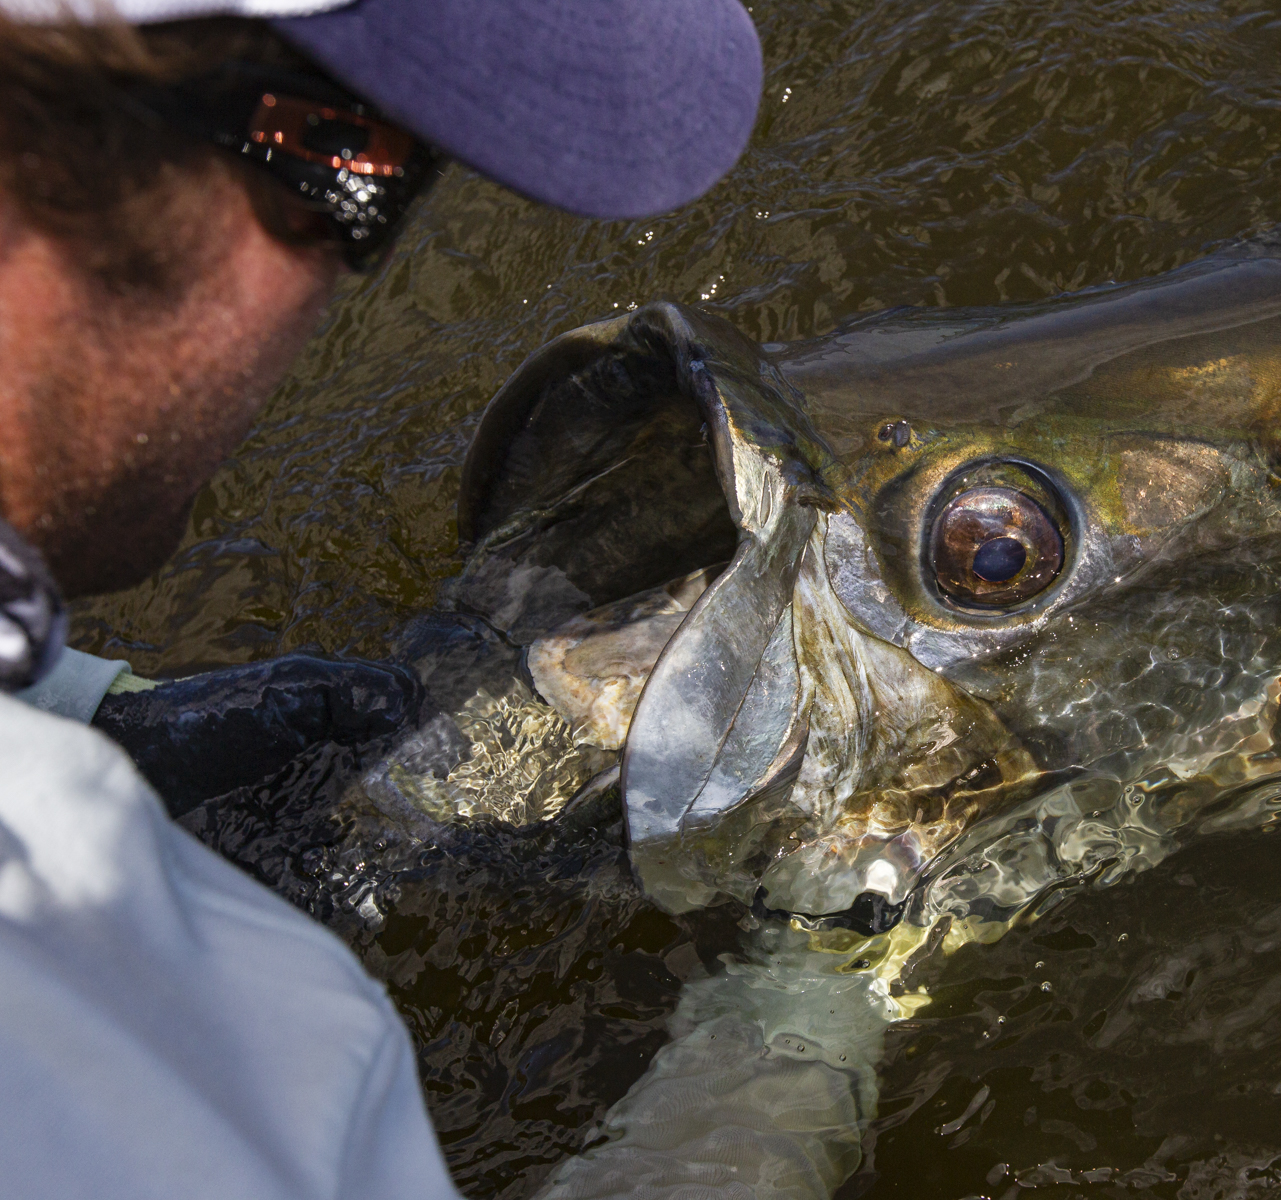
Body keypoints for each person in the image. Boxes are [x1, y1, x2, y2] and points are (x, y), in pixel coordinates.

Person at [0, 2, 761, 1197]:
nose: (338, 278)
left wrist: (88, 709)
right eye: (370, 181)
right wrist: (796, 1028)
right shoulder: (208, 1084)